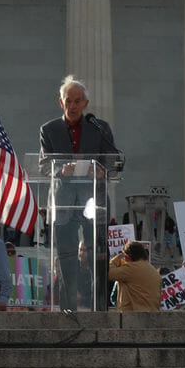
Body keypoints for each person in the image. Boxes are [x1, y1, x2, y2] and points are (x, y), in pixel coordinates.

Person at [38, 75, 119, 310]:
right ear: (61, 103)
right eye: (68, 101)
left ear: (85, 104)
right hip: (64, 205)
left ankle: (100, 309)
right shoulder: (49, 130)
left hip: (94, 201)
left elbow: (114, 161)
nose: (73, 105)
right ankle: (67, 311)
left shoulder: (99, 127)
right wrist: (60, 169)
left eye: (77, 101)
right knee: (67, 261)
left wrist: (102, 170)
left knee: (98, 258)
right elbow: (43, 166)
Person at [109, 240, 162, 310]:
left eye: (125, 257)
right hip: (151, 315)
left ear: (128, 256)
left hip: (132, 316)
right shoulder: (153, 271)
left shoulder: (131, 268)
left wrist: (117, 258)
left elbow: (109, 273)